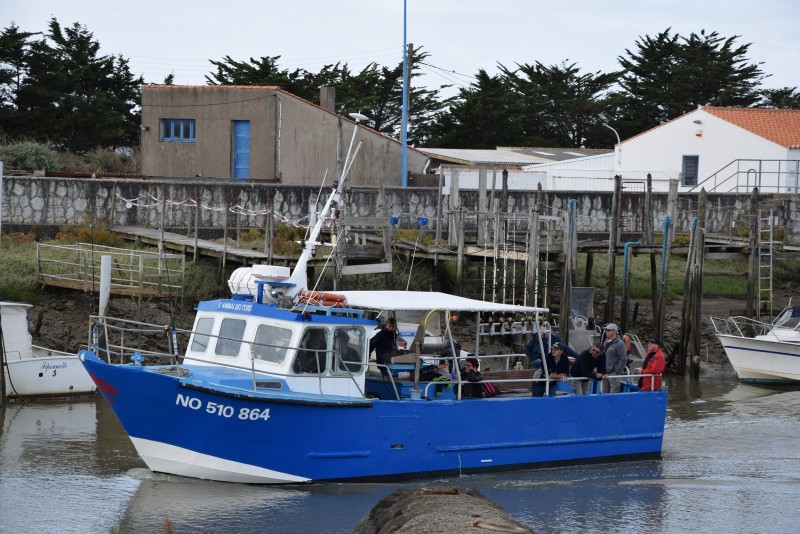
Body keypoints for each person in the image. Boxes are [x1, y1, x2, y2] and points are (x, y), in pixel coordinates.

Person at [601, 323, 628, 393]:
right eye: (606, 330)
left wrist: (617, 371)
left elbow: (624, 358)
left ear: (614, 331)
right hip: (605, 372)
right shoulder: (606, 342)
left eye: (608, 330)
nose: (606, 332)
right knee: (604, 392)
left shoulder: (620, 343)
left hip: (613, 372)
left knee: (614, 392)